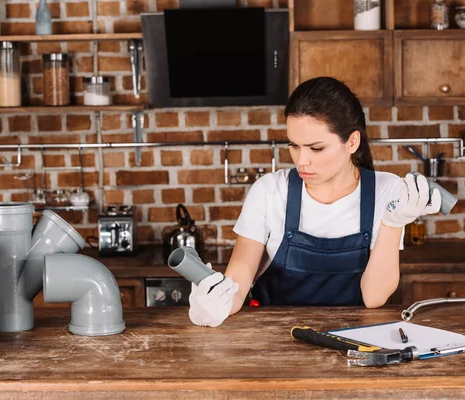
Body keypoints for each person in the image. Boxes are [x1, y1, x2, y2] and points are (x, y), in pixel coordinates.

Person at [188, 77, 441, 327]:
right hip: (274, 345)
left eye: (316, 148)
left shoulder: (386, 190)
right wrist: (212, 306)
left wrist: (392, 222)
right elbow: (238, 284)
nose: (301, 161)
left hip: (353, 346)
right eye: (294, 146)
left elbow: (374, 297)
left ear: (352, 142)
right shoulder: (269, 192)